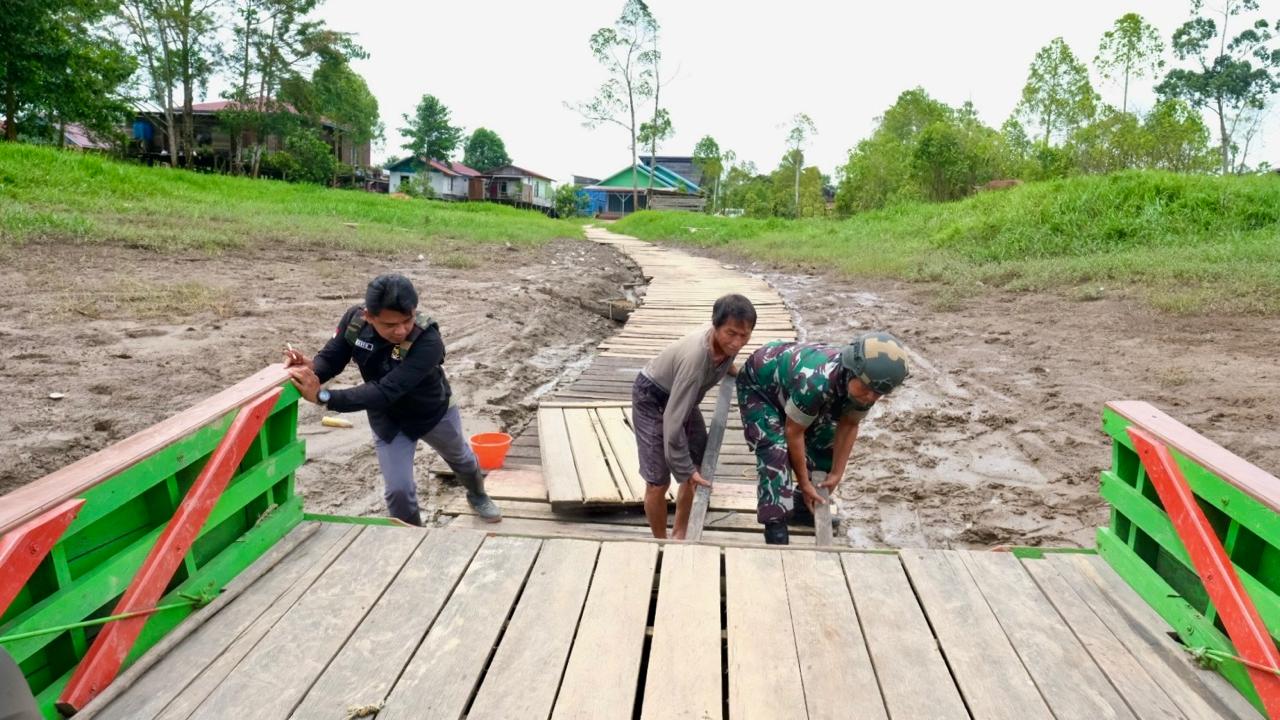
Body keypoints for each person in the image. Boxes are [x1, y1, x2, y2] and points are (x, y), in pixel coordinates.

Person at [284, 273, 500, 526]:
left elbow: (386, 389)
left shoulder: (428, 340)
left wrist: (323, 396)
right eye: (389, 325)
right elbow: (332, 358)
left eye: (406, 321)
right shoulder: (355, 323)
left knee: (462, 459)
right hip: (388, 419)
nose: (400, 331)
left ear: (414, 311)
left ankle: (477, 494)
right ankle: (411, 537)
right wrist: (311, 372)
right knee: (398, 490)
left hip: (433, 412)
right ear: (369, 316)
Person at [736, 331, 909, 545]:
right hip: (760, 386)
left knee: (827, 434)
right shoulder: (817, 382)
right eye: (867, 390)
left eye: (878, 394)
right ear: (852, 371)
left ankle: (803, 506)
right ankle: (775, 526)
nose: (871, 397)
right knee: (775, 448)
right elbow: (793, 431)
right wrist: (805, 481)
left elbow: (849, 424)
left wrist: (837, 473)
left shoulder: (869, 385)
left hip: (792, 389)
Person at [632, 294, 756, 539]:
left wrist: (733, 370)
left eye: (745, 335)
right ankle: (661, 541)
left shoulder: (727, 346)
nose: (737, 342)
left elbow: (727, 359)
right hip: (652, 397)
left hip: (681, 398)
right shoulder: (696, 362)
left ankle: (680, 533)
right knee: (658, 480)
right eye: (731, 333)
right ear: (715, 325)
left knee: (698, 464)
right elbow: (673, 423)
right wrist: (684, 468)